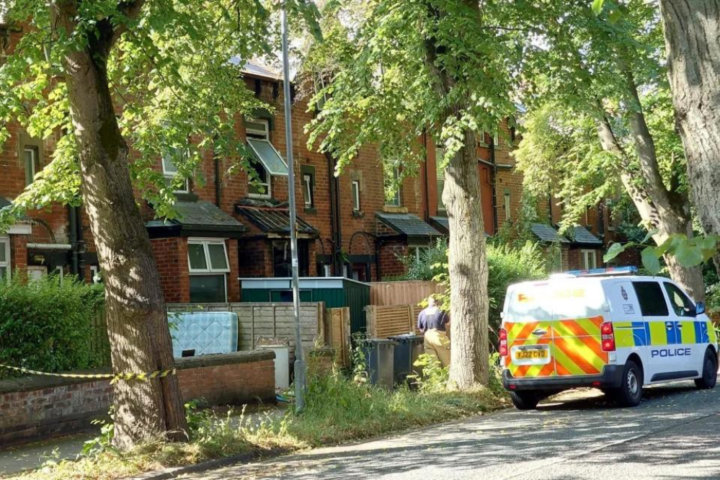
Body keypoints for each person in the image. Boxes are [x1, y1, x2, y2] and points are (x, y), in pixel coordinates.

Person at [417, 295, 450, 367]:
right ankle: (449, 376)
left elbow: (421, 329)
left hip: (427, 337)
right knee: (446, 360)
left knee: (433, 363)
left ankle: (435, 377)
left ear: (428, 302)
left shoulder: (422, 313)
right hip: (439, 336)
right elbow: (448, 324)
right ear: (437, 302)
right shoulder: (441, 311)